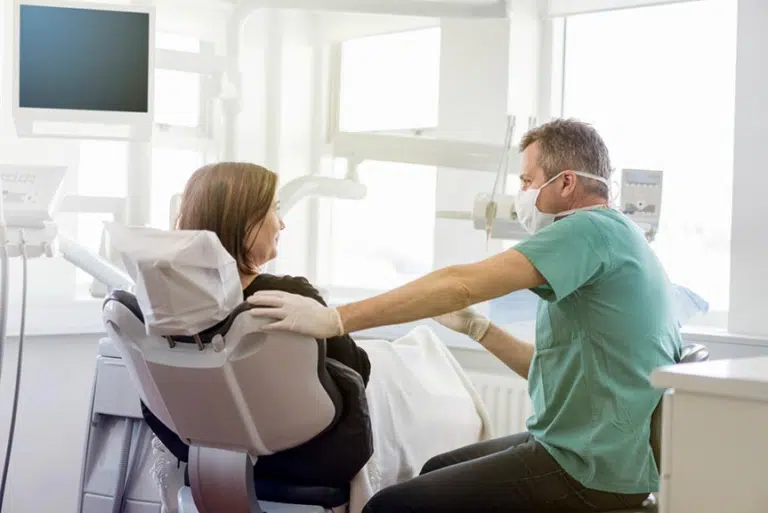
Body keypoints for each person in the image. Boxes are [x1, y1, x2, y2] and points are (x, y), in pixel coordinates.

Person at [246, 118, 683, 512]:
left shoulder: (587, 229)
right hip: (601, 454)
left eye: (528, 181)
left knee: (391, 507)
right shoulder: (623, 237)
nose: (521, 196)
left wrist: (337, 319)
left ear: (566, 182)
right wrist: (480, 329)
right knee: (436, 466)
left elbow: (462, 281)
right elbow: (547, 369)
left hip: (587, 468)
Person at [140, 162, 373, 489]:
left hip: (200, 456)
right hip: (304, 459)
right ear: (245, 222)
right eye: (275, 210)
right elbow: (358, 372)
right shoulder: (289, 297)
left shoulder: (162, 307)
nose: (282, 223)